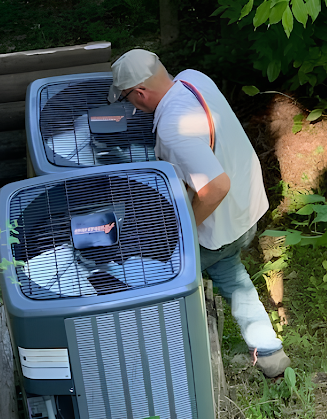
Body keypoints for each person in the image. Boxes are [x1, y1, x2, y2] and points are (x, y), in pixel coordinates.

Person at [108, 49, 290, 378]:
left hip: (221, 220)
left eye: (127, 99)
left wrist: (182, 233)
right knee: (231, 275)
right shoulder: (193, 79)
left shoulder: (174, 130)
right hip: (247, 209)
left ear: (140, 92)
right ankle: (270, 354)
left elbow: (215, 187)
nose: (130, 106)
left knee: (150, 279)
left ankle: (154, 364)